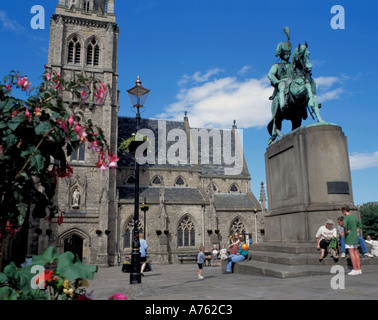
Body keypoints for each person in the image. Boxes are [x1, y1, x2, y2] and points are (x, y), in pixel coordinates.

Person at [341, 205, 362, 275]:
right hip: (355, 236)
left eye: (342, 211)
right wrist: (357, 229)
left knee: (351, 252)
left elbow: (344, 226)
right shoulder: (353, 217)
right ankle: (359, 269)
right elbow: (360, 224)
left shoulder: (346, 217)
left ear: (344, 210)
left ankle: (355, 269)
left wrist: (346, 231)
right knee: (356, 252)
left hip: (349, 237)